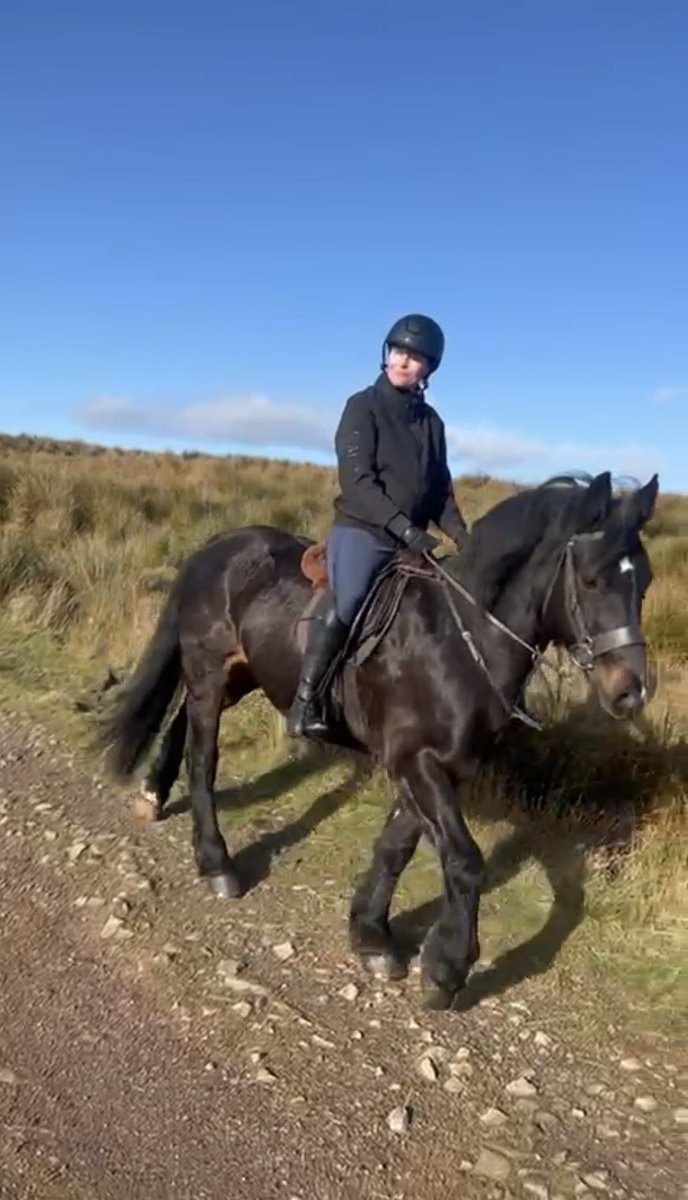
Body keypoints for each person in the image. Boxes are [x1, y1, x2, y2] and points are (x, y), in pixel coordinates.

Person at [287, 313, 470, 740]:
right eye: (399, 352)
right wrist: (404, 529)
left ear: (429, 369)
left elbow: (440, 489)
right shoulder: (361, 406)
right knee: (348, 602)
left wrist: (464, 537)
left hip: (413, 540)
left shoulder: (432, 424)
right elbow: (357, 482)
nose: (405, 361)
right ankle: (305, 701)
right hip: (364, 531)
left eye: (416, 357)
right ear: (387, 354)